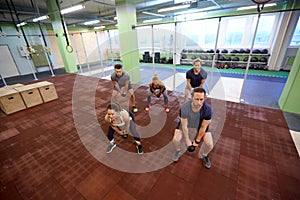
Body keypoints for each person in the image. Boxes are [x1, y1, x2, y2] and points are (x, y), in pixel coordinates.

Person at [172, 87, 214, 169]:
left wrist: (196, 142)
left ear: (204, 98)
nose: (199, 102)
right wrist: (187, 140)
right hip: (187, 123)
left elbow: (203, 127)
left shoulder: (208, 109)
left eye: (201, 99)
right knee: (176, 140)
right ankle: (177, 150)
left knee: (209, 144)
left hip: (200, 124)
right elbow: (184, 125)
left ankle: (205, 155)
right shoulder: (184, 107)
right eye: (196, 99)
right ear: (192, 98)